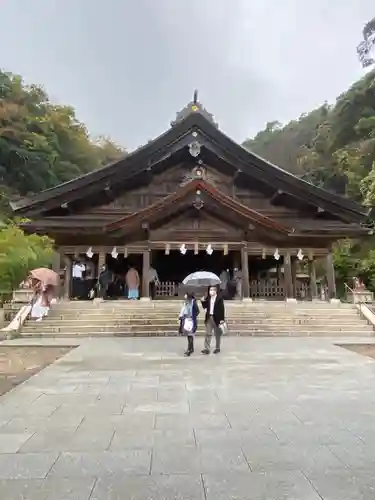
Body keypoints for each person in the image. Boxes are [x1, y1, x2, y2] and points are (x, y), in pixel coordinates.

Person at [201, 285, 225, 354]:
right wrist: (202, 301)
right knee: (208, 333)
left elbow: (222, 309)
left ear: (216, 291)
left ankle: (217, 348)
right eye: (210, 290)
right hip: (209, 317)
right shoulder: (208, 298)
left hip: (217, 318)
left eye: (213, 290)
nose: (211, 291)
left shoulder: (219, 298)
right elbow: (205, 307)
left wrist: (222, 319)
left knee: (217, 334)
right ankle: (206, 348)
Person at [179, 292, 199, 356]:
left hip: (191, 321)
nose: (184, 296)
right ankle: (191, 348)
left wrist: (192, 316)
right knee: (189, 335)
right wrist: (181, 316)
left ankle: (189, 350)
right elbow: (183, 310)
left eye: (185, 294)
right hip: (186, 320)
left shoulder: (193, 302)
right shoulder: (186, 302)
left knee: (190, 335)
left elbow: (197, 311)